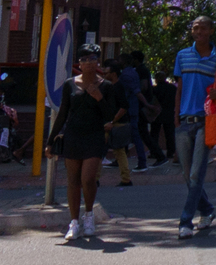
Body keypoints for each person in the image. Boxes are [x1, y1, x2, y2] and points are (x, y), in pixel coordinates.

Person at [47, 44, 128, 241]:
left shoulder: (106, 86)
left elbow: (110, 116)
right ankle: (74, 222)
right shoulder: (70, 84)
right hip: (73, 135)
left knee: (88, 178)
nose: (88, 63)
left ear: (98, 62)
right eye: (84, 59)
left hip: (94, 136)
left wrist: (99, 98)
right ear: (79, 64)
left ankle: (89, 215)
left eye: (92, 59)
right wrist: (50, 140)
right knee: (73, 180)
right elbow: (63, 113)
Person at [172, 17, 216, 240]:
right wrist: (176, 119)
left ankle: (185, 221)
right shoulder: (182, 55)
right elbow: (179, 89)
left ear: (211, 31)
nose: (198, 31)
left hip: (207, 121)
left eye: (203, 28)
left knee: (197, 173)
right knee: (188, 176)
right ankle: (207, 210)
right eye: (195, 27)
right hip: (183, 121)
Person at [102, 61, 138, 186]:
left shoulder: (118, 87)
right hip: (111, 122)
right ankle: (95, 178)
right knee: (108, 150)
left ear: (114, 74)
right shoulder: (108, 86)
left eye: (106, 72)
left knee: (118, 151)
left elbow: (124, 106)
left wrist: (112, 121)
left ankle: (126, 178)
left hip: (117, 123)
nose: (104, 74)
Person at [116, 53, 151, 172]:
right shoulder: (133, 72)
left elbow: (136, 91)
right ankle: (123, 160)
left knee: (133, 135)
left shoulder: (125, 75)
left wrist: (146, 104)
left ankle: (141, 162)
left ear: (124, 61)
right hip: (133, 107)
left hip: (129, 109)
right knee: (131, 135)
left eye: (119, 60)